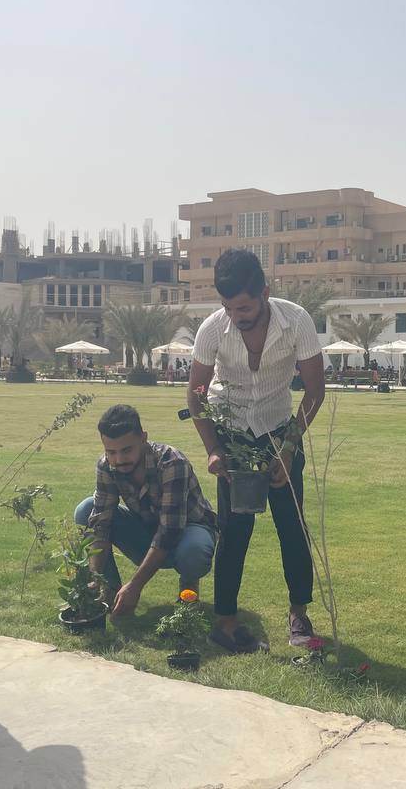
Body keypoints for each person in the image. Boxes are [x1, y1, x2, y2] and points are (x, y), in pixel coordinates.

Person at [188, 249, 326, 654]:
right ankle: (226, 622)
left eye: (244, 307)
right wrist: (214, 449)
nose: (236, 316)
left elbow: (315, 392)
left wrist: (289, 446)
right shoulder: (212, 329)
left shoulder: (296, 321)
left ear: (265, 292)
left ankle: (299, 615)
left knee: (292, 527)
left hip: (280, 431)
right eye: (228, 307)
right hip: (231, 434)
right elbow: (196, 396)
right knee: (233, 532)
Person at [74, 404, 216, 614]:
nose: (119, 460)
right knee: (86, 510)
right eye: (111, 452)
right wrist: (94, 575)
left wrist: (135, 586)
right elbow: (100, 524)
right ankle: (109, 590)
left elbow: (169, 532)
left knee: (193, 552)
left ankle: (188, 588)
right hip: (147, 528)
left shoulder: (172, 462)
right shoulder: (106, 466)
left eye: (126, 450)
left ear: (143, 438)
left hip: (188, 530)